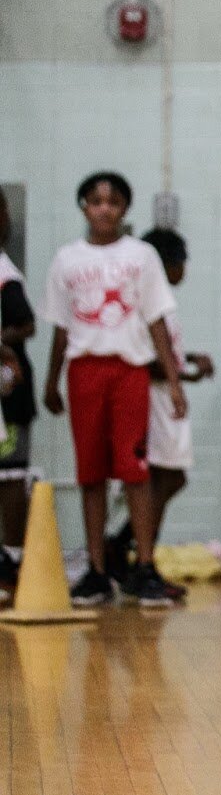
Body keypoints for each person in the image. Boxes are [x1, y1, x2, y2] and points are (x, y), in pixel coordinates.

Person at [46, 171, 187, 608]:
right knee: (90, 474)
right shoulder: (66, 259)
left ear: (124, 208)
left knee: (135, 471)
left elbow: (157, 320)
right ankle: (96, 571)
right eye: (94, 201)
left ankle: (143, 566)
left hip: (129, 373)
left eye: (112, 201)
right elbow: (61, 328)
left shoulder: (141, 256)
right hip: (84, 372)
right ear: (83, 207)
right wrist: (51, 380)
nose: (103, 208)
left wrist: (175, 381)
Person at [103, 228, 215, 598]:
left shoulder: (162, 303)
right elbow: (142, 361)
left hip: (163, 395)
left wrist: (187, 363)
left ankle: (128, 547)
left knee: (170, 478)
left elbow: (165, 354)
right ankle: (133, 556)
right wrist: (180, 373)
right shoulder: (141, 302)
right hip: (149, 397)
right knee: (157, 478)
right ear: (168, 265)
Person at [0, 188, 36, 594]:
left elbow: (26, 325)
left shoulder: (5, 273)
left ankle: (13, 560)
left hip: (8, 394)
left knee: (9, 476)